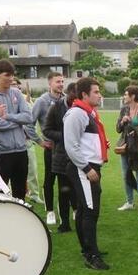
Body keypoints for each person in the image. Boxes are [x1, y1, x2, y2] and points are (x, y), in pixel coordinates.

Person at [64, 77, 109, 270]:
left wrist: (100, 146)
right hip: (83, 168)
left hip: (89, 166)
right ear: (84, 94)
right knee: (90, 211)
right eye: (96, 92)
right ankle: (91, 255)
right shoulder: (77, 113)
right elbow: (71, 146)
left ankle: (88, 248)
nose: (100, 95)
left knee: (84, 209)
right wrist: (87, 168)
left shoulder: (88, 113)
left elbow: (83, 142)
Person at [0, 59, 35, 200]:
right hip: (2, 152)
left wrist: (8, 116)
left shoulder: (16, 93)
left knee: (20, 192)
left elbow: (28, 117)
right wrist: (18, 121)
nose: (11, 78)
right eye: (7, 75)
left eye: (12, 75)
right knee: (0, 192)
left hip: (21, 151)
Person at [31, 72, 67, 225]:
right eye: (58, 81)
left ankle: (65, 211)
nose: (61, 84)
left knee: (66, 181)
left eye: (62, 81)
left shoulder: (66, 100)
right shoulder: (42, 101)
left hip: (66, 148)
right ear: (50, 84)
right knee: (49, 180)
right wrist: (40, 141)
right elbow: (29, 123)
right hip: (51, 148)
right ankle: (50, 211)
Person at [41, 83, 74, 233]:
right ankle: (65, 223)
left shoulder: (82, 107)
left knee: (77, 190)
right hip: (61, 155)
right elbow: (46, 130)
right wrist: (64, 136)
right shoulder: (56, 107)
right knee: (64, 190)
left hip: (79, 154)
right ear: (69, 94)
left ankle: (79, 217)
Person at [116, 84, 138, 211]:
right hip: (125, 146)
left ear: (133, 96)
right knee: (126, 175)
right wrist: (122, 121)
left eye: (126, 94)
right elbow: (118, 129)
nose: (124, 96)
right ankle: (129, 202)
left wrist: (136, 129)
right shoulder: (124, 109)